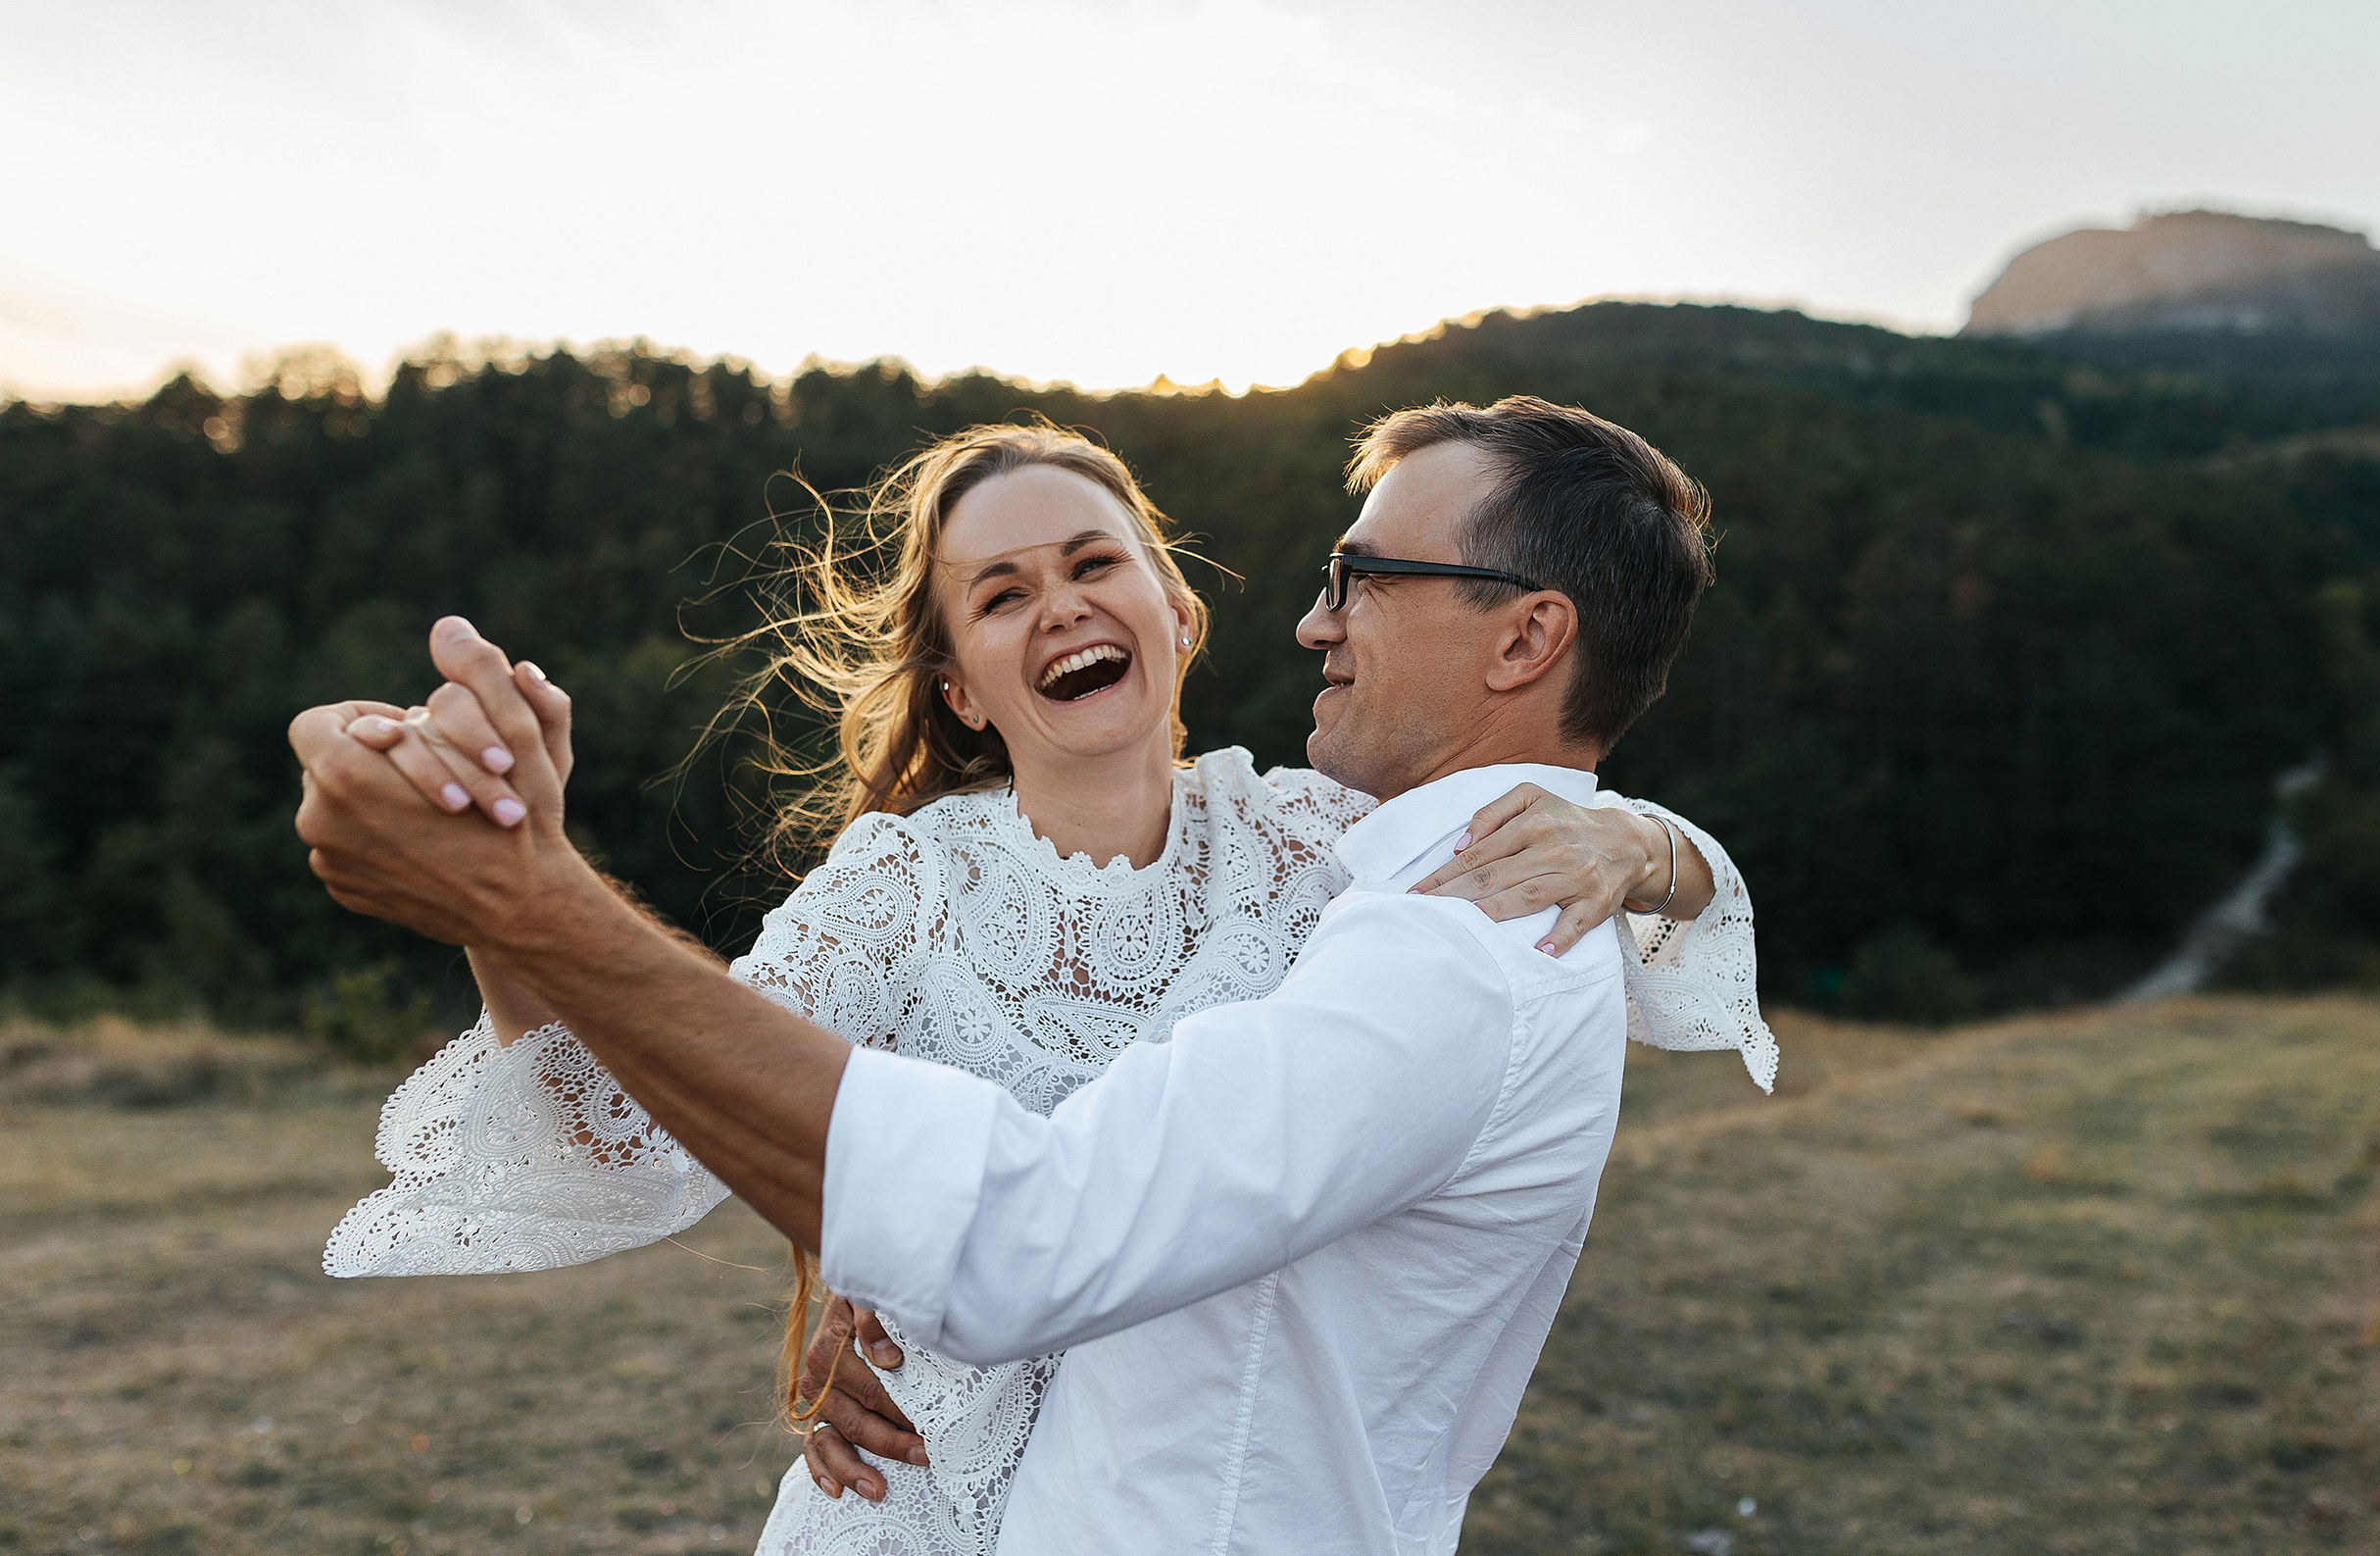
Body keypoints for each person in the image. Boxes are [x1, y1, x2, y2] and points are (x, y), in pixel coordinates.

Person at [297, 401, 1773, 1555]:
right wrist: (507, 885)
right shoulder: (901, 886)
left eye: (1091, 564)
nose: (1057, 607)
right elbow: (627, 1136)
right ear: (958, 684)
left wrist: (1645, 840)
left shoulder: (1322, 840)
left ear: (1173, 610)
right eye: (999, 596)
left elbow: (1529, 830)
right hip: (913, 1507)